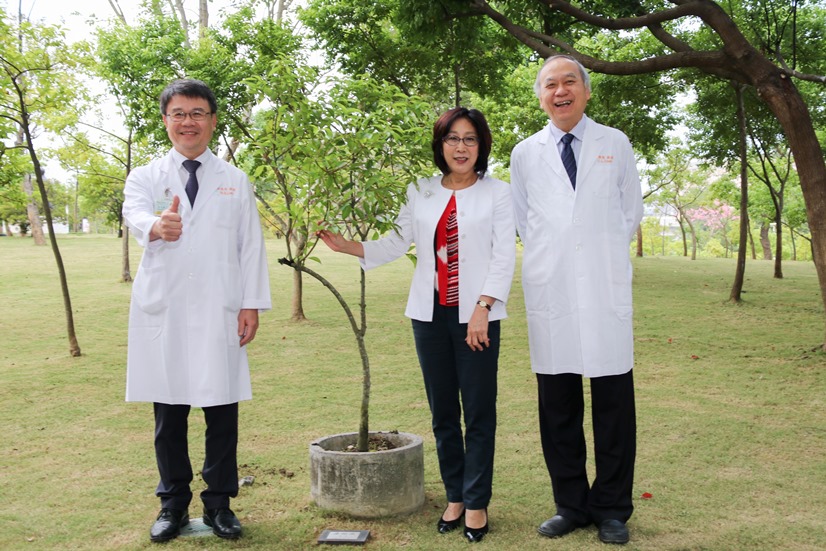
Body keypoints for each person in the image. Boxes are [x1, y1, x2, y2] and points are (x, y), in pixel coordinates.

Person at [318, 107, 515, 544]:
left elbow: (504, 255)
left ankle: (477, 502)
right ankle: (455, 497)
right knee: (443, 412)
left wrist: (483, 306)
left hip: (476, 317)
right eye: (452, 138)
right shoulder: (420, 190)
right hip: (429, 316)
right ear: (440, 144)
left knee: (478, 412)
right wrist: (349, 246)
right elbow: (396, 242)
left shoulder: (498, 193)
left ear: (481, 146)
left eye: (469, 139)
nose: (460, 147)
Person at [122, 79, 271, 543]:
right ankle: (172, 504)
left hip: (218, 308)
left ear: (212, 120)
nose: (188, 122)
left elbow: (251, 246)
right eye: (179, 114)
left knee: (221, 410)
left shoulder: (234, 180)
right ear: (166, 120)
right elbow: (134, 213)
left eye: (197, 113)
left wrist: (250, 303)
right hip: (165, 308)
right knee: (169, 412)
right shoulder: (146, 176)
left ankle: (220, 504)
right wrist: (156, 225)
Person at [509, 55, 644, 545]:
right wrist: (561, 256)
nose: (560, 91)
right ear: (540, 97)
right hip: (553, 291)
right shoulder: (525, 153)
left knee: (613, 405)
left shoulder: (615, 143)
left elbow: (630, 211)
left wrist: (596, 253)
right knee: (558, 406)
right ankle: (570, 504)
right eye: (550, 84)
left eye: (570, 82)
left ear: (586, 91)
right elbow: (524, 220)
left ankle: (611, 508)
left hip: (604, 289)